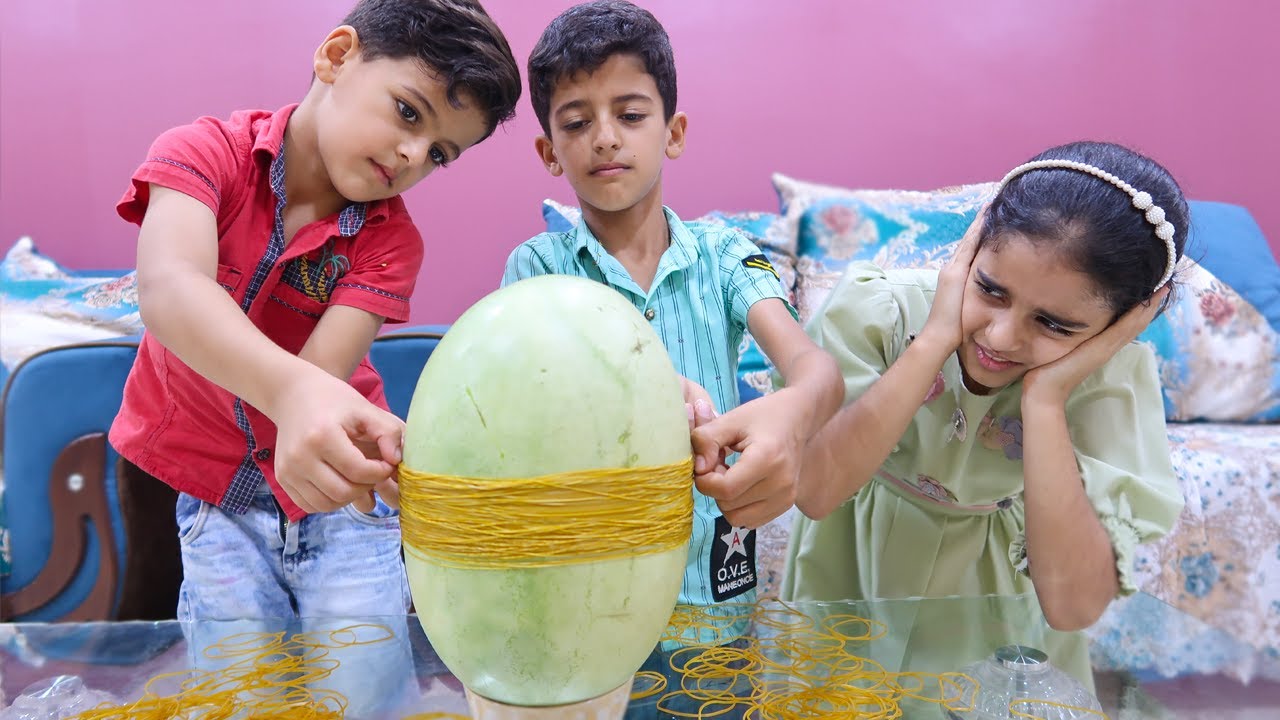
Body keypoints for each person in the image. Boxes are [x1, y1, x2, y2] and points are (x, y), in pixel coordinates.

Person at [110, 1, 519, 714]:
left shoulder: (392, 241)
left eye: (440, 154)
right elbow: (170, 290)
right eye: (409, 113)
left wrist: (306, 397)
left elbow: (322, 377)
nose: (412, 156)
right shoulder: (202, 153)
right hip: (215, 497)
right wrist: (297, 393)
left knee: (366, 695)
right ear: (335, 56)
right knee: (242, 695)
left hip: (342, 499)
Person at [502, 2, 842, 716]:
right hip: (585, 607)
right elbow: (529, 409)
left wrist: (790, 410)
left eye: (630, 114)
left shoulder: (723, 255)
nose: (604, 138)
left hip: (712, 606)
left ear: (673, 132)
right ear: (548, 152)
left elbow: (817, 372)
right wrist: (640, 392)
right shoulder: (537, 269)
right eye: (575, 121)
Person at [782, 140, 1188, 686]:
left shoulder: (1109, 380)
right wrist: (931, 343)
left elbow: (1072, 608)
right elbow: (816, 490)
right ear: (971, 251)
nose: (1000, 337)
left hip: (995, 614)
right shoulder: (879, 311)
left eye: (1055, 325)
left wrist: (1045, 400)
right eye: (991, 290)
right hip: (851, 578)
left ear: (1122, 324)